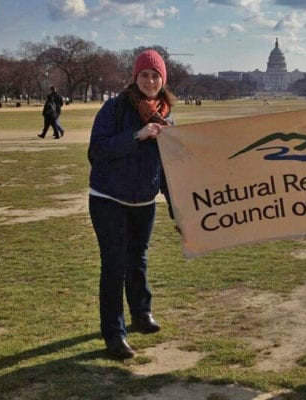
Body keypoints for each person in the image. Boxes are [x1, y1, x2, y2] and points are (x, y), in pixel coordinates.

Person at [88, 50, 176, 359]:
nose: (150, 81)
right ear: (135, 78)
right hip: (108, 198)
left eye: (155, 76)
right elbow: (97, 152)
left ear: (163, 80)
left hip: (144, 200)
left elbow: (169, 168)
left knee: (138, 259)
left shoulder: (166, 116)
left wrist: (177, 207)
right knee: (115, 265)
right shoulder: (113, 109)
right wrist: (136, 136)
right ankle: (114, 334)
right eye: (144, 75)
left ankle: (141, 312)